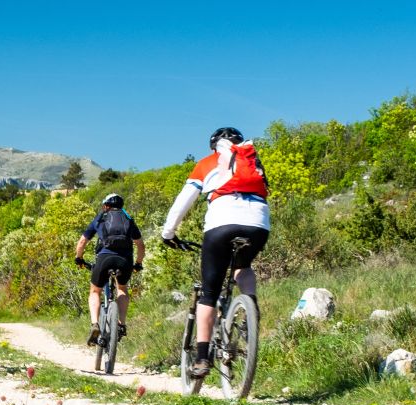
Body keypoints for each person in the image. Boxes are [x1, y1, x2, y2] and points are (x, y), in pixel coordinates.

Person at [159, 126, 272, 378]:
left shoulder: (208, 162)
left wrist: (168, 233)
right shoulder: (253, 163)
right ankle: (250, 308)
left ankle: (201, 358)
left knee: (209, 293)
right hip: (258, 224)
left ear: (215, 146)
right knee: (243, 267)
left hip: (222, 222)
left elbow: (183, 202)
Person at [72, 193, 144, 346]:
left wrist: (79, 258)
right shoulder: (128, 219)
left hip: (104, 258)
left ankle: (94, 324)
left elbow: (82, 241)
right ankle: (121, 324)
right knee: (122, 289)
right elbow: (140, 245)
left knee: (95, 291)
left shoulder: (100, 218)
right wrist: (138, 263)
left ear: (106, 205)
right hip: (125, 260)